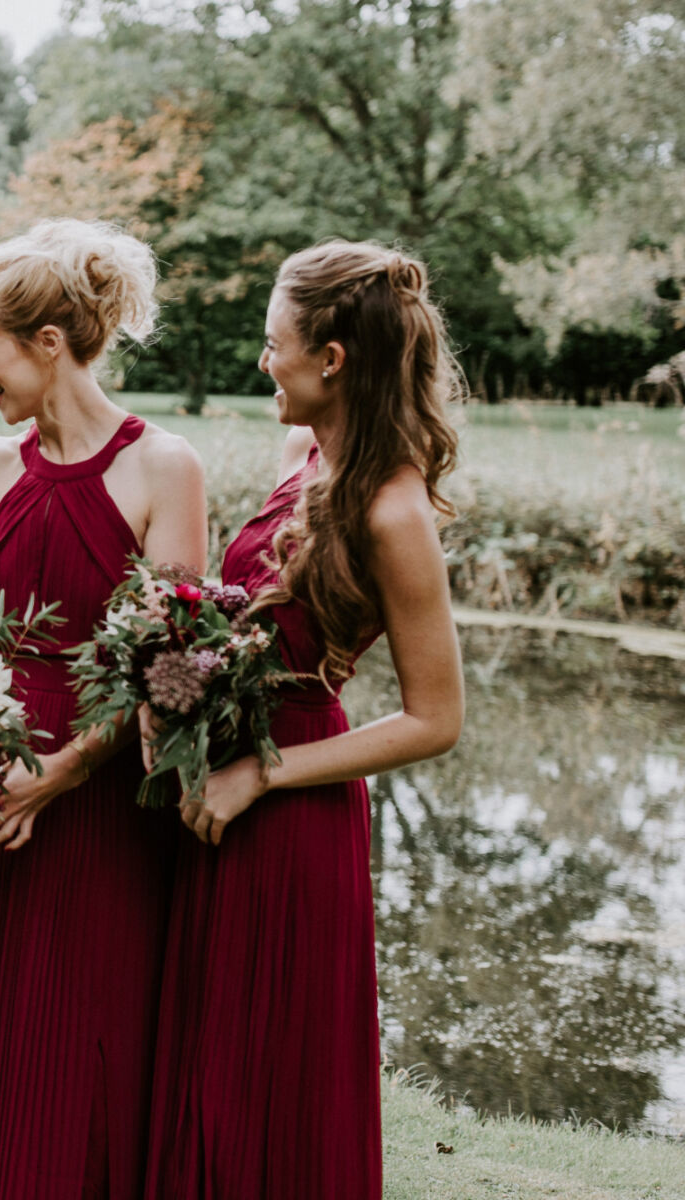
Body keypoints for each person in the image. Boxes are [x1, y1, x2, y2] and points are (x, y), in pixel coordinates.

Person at [144, 241, 465, 1199]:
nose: (261, 360)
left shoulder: (394, 509)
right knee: (208, 1058)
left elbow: (436, 718)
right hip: (217, 787)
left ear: (331, 358)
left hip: (295, 802)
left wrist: (262, 774)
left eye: (272, 341)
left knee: (270, 1074)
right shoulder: (300, 455)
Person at [0, 219, 206, 1198]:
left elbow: (166, 657)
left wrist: (59, 775)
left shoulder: (162, 466)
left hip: (100, 793)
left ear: (47, 344)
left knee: (83, 1038)